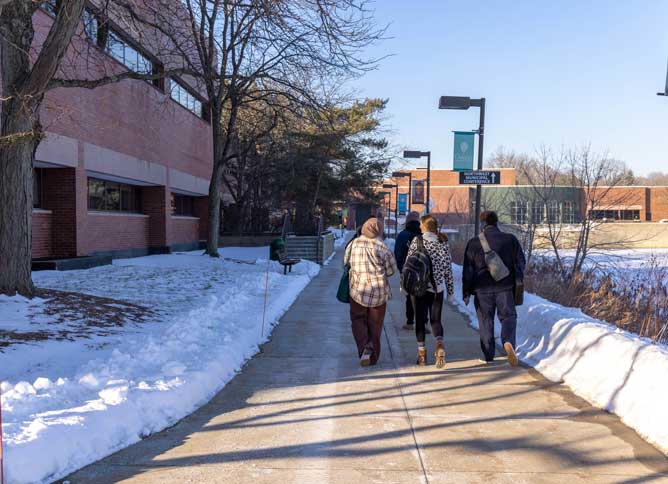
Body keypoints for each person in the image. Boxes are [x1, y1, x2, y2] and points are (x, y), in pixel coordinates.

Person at [462, 211, 526, 366]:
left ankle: (488, 354)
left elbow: (468, 270)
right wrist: (515, 277)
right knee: (508, 317)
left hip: (482, 289)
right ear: (496, 223)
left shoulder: (474, 243)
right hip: (505, 287)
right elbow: (521, 263)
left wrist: (466, 291)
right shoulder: (510, 239)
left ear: (483, 223)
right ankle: (508, 342)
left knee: (485, 320)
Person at [344, 217, 397, 366]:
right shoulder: (382, 247)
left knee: (357, 320)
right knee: (375, 324)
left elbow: (345, 262)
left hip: (357, 291)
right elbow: (392, 270)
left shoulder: (353, 244)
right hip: (378, 293)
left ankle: (364, 348)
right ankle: (373, 354)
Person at [405, 214, 454, 367]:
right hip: (437, 288)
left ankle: (421, 356)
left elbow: (409, 263)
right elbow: (447, 268)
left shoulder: (417, 240)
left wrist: (404, 284)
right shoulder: (443, 242)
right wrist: (450, 290)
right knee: (436, 320)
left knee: (420, 320)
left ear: (424, 226)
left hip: (419, 287)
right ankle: (439, 344)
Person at [394, 211, 422, 331]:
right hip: (423, 271)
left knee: (410, 296)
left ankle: (410, 322)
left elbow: (398, 254)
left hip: (408, 270)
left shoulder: (402, 235)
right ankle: (424, 323)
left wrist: (402, 269)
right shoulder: (424, 234)